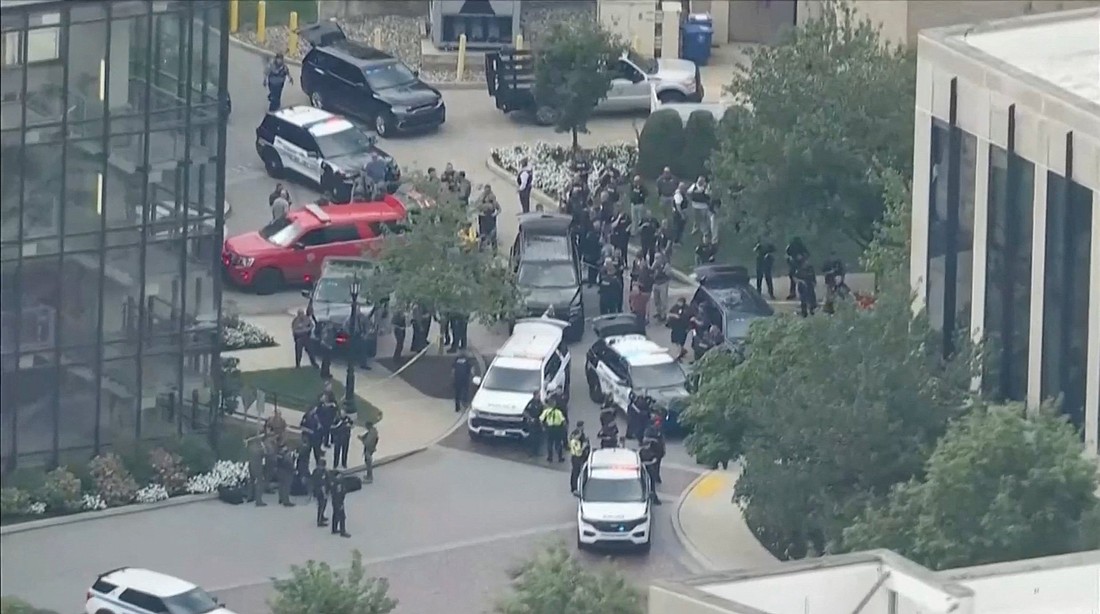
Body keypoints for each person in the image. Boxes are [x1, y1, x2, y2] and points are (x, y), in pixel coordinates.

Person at [475, 185, 501, 251]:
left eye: (488, 190)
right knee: (483, 234)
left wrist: (495, 213)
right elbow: (477, 207)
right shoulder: (481, 198)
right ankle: (481, 249)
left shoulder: (493, 198)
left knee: (493, 235)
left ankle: (494, 251)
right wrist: (480, 213)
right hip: (483, 218)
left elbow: (499, 209)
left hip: (491, 218)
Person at [568, 421, 591, 493]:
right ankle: (574, 488)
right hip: (577, 457)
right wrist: (584, 446)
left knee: (577, 472)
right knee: (576, 472)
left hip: (578, 456)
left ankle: (576, 486)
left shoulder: (580, 434)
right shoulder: (576, 439)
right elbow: (579, 450)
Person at [642, 418, 666, 484]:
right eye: (657, 424)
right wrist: (653, 440)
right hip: (652, 451)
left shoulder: (660, 430)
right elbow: (645, 439)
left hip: (659, 451)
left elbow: (662, 439)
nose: (659, 425)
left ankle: (656, 477)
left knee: (658, 465)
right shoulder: (649, 430)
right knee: (652, 466)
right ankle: (651, 477)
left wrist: (664, 449)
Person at [639, 438, 662, 505]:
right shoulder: (643, 452)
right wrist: (650, 462)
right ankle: (651, 497)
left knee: (650, 484)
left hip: (649, 471)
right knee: (648, 484)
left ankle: (652, 497)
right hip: (648, 470)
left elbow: (654, 459)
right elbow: (653, 460)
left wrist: (645, 463)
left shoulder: (645, 451)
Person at [329, 471, 350, 538]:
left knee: (335, 514)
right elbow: (338, 495)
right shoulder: (338, 484)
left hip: (334, 501)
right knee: (342, 517)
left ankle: (334, 529)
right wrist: (340, 504)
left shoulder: (333, 482)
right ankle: (342, 531)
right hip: (338, 502)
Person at [247, 437, 267, 507]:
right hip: (257, 466)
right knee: (260, 482)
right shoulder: (259, 448)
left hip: (250, 465)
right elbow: (265, 454)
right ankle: (259, 501)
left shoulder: (250, 447)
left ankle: (250, 497)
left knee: (251, 480)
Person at [651, 252, 670, 322]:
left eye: (657, 258)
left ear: (661, 258)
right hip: (655, 283)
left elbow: (668, 274)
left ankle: (664, 314)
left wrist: (665, 270)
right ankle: (658, 312)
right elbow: (651, 271)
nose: (656, 259)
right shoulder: (655, 265)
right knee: (656, 300)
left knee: (663, 300)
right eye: (655, 258)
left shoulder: (665, 265)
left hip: (663, 283)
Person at [523, 393, 543, 458]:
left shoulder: (540, 403)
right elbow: (525, 412)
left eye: (539, 396)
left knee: (538, 438)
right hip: (532, 422)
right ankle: (531, 452)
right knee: (532, 437)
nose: (539, 397)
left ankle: (536, 452)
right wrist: (530, 418)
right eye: (538, 396)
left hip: (538, 422)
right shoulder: (531, 403)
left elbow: (543, 412)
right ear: (534, 396)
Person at [311, 457, 329, 527]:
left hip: (323, 490)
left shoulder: (323, 471)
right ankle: (319, 520)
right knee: (321, 506)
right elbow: (319, 483)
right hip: (320, 491)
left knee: (324, 504)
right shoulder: (317, 472)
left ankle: (322, 516)